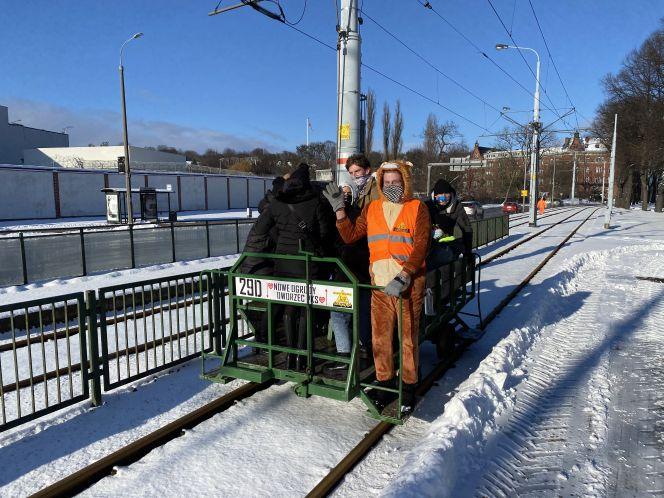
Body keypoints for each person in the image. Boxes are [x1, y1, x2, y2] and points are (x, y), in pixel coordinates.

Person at [324, 160, 431, 411]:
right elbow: (350, 235)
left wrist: (405, 275)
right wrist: (339, 210)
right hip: (379, 287)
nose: (391, 185)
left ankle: (408, 386)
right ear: (380, 183)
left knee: (407, 340)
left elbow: (421, 246)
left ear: (404, 182)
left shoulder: (417, 208)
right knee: (380, 339)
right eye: (387, 182)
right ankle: (385, 383)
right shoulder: (372, 209)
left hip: (408, 286)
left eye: (396, 181)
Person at [251, 163, 331, 370]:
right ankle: (302, 357)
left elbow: (260, 229)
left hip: (282, 264)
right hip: (307, 263)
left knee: (287, 305)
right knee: (305, 308)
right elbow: (325, 235)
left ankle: (289, 357)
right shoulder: (316, 202)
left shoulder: (277, 203)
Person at [424, 179, 473, 269]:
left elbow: (467, 229)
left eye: (446, 194)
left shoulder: (457, 207)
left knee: (442, 256)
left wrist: (468, 252)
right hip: (430, 245)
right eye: (440, 195)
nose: (443, 197)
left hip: (447, 246)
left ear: (450, 194)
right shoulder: (427, 206)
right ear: (435, 195)